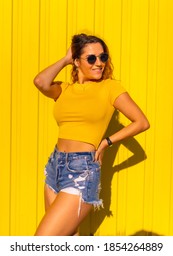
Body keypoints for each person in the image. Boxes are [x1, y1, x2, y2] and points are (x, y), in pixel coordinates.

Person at [33, 33, 150, 236]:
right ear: (76, 62)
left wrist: (106, 142)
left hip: (82, 172)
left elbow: (141, 122)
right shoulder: (64, 89)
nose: (99, 63)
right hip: (55, 167)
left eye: (103, 57)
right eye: (91, 58)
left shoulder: (110, 88)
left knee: (42, 242)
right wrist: (64, 60)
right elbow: (40, 82)